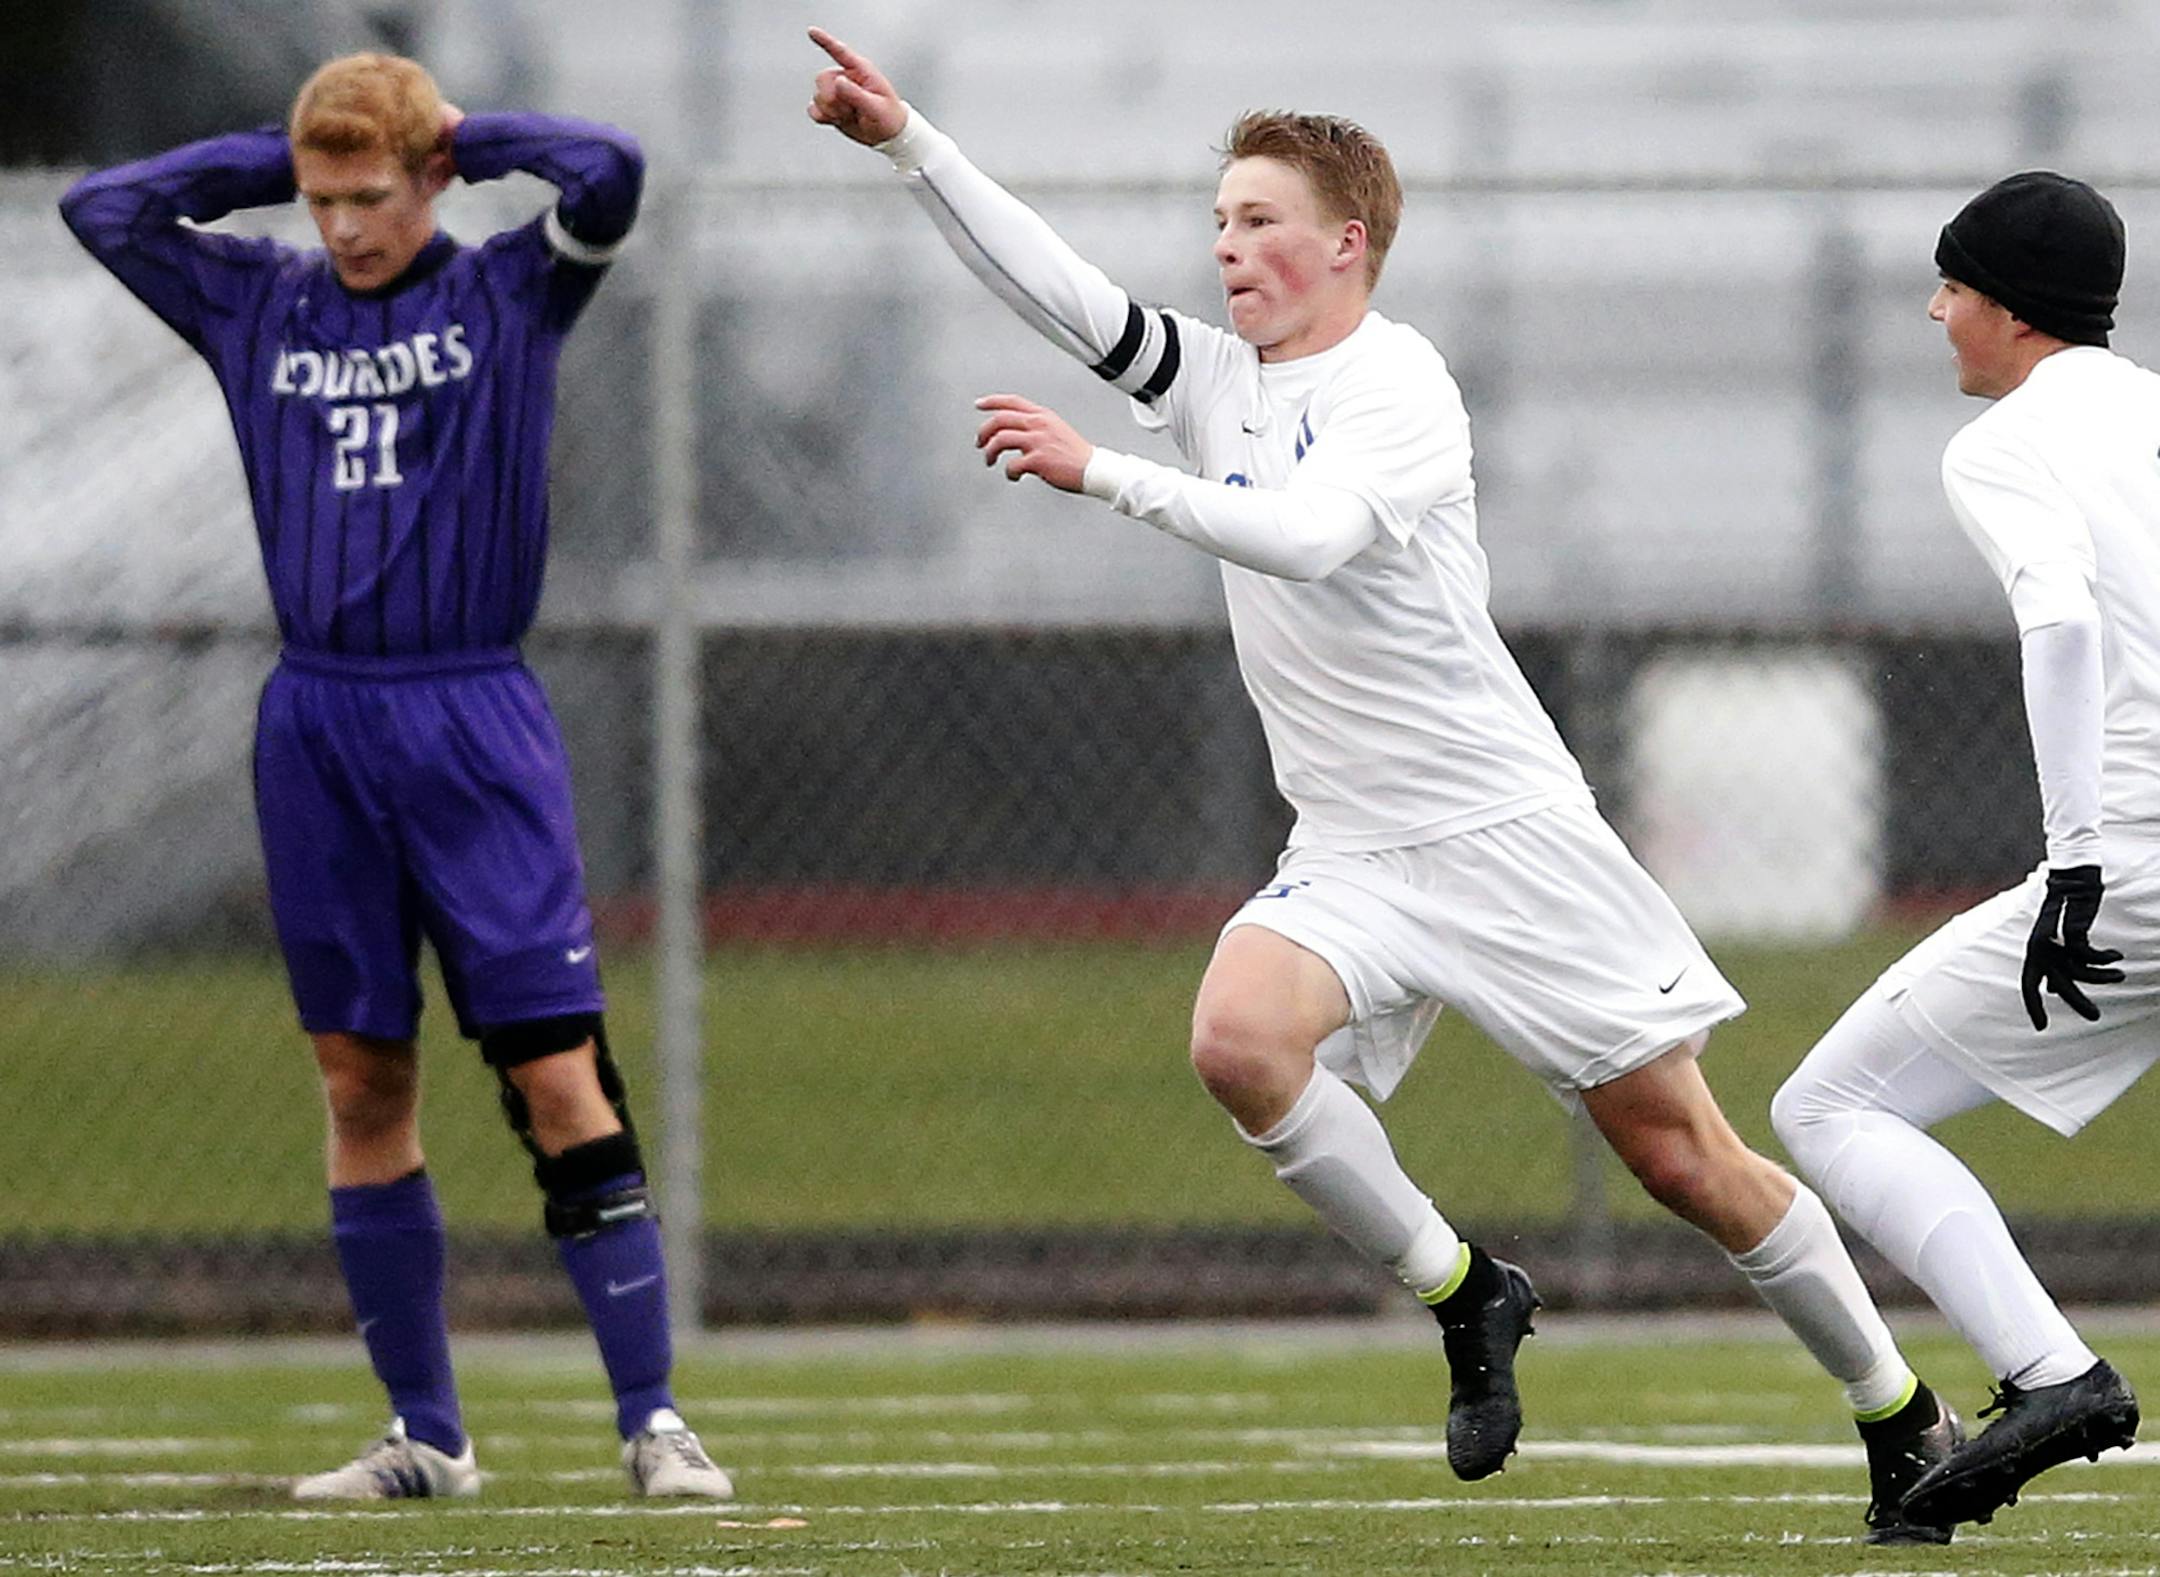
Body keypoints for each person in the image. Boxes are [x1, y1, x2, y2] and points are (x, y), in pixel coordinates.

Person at [807, 26, 1958, 1544]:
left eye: (1259, 219)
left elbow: (1310, 535)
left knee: (1681, 1153)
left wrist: (1109, 475)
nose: (1227, 246)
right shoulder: (1214, 379)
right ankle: (1467, 1287)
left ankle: (1902, 1412)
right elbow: (1055, 285)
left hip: (1504, 833)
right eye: (1217, 220)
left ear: (1346, 244)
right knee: (1236, 1040)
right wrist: (910, 143)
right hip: (1353, 841)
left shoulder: (1397, 381)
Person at [59, 53, 733, 1502]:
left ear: (425, 178)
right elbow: (104, 210)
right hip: (318, 723)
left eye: (371, 194)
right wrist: (267, 161)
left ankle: (656, 1417)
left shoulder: (506, 289)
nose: (345, 226)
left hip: (472, 717)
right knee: (361, 1075)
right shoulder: (257, 299)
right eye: (322, 199)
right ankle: (428, 1432)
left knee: (554, 1069)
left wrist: (465, 139)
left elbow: (609, 168)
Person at [1774, 171, 2148, 1532]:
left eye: (1952, 284)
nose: (1937, 312)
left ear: (2012, 307)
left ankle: (2052, 1373)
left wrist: (2077, 863)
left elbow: (2062, 626)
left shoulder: (2000, 446)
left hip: (2143, 861)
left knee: (1829, 1108)